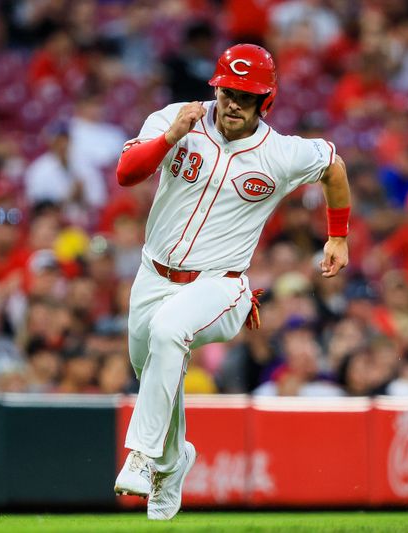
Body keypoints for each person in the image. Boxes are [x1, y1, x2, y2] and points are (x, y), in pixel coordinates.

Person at [112, 44, 350, 520]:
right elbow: (126, 174)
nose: (233, 103)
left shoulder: (280, 153)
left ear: (267, 100)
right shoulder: (176, 119)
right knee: (158, 364)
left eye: (246, 94)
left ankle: (140, 454)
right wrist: (171, 136)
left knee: (168, 333)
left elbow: (333, 165)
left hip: (222, 286)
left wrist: (338, 237)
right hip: (153, 274)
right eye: (227, 91)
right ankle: (172, 461)